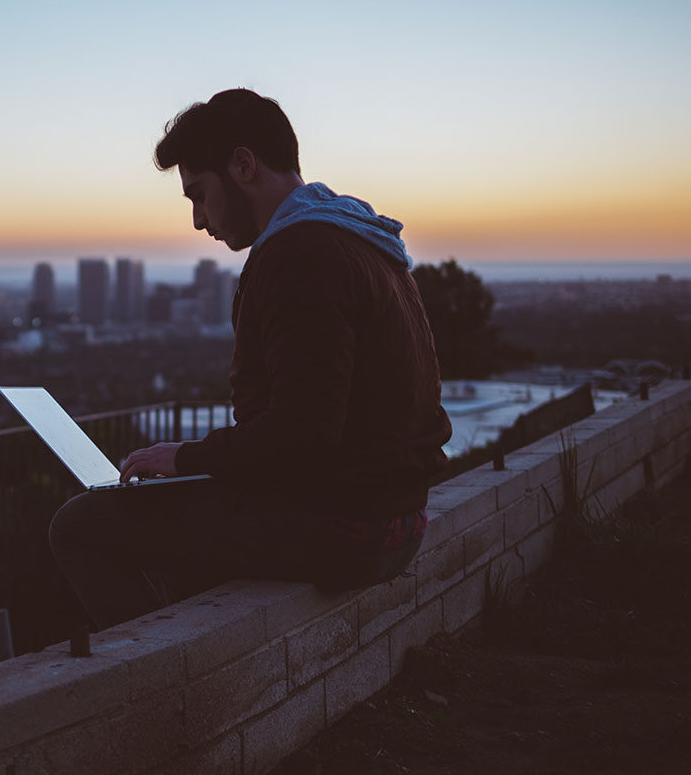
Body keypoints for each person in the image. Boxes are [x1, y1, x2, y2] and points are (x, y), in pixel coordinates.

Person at [48, 89, 453, 631]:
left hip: (349, 529)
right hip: (395, 517)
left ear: (243, 165)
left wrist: (186, 459)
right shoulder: (360, 238)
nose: (198, 220)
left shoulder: (301, 253)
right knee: (177, 518)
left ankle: (163, 682)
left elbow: (304, 433)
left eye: (199, 194)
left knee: (79, 525)